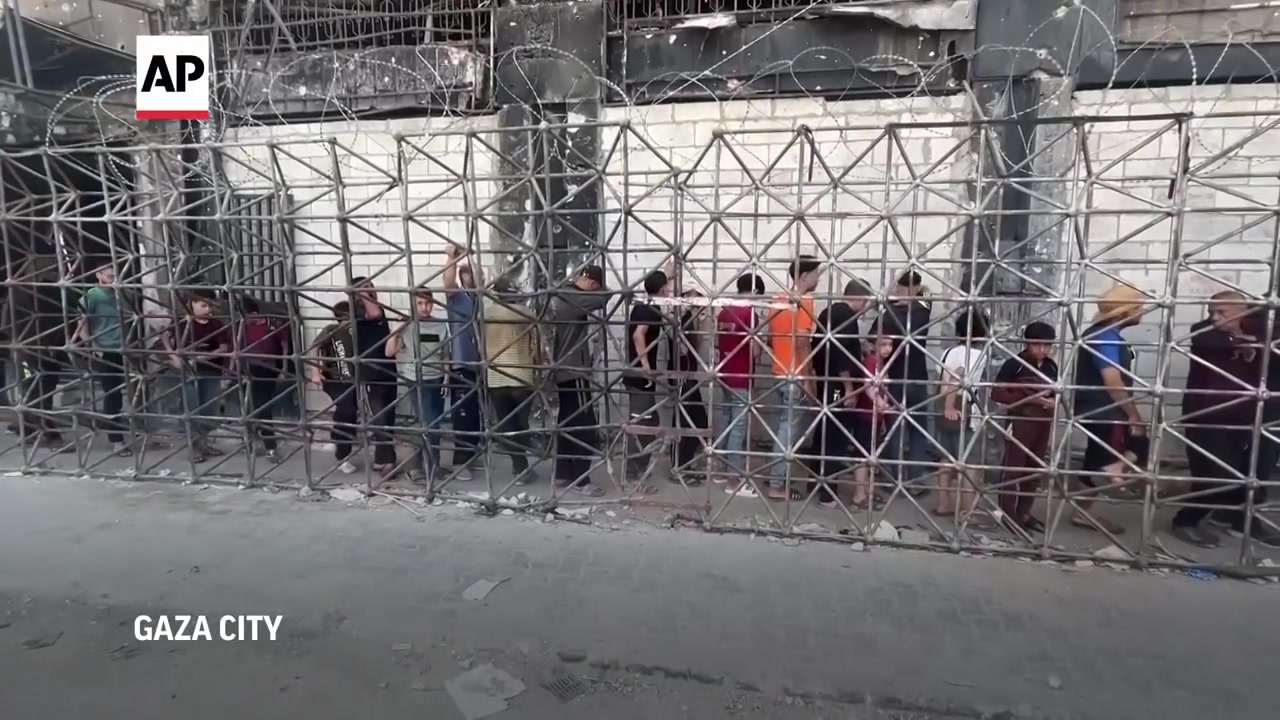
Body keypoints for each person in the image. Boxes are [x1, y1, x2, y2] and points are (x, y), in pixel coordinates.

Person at [1172, 292, 1280, 548]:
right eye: (1212, 311)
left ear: (1245, 312)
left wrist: (1254, 339)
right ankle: (1186, 520)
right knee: (1215, 474)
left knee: (1253, 473)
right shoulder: (1204, 332)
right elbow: (1207, 338)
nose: (1215, 318)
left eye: (1223, 312)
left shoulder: (1262, 330)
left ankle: (1240, 518)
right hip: (1208, 415)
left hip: (1248, 415)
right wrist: (1246, 341)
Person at [1070, 284, 1147, 536]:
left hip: (1096, 407)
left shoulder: (1101, 334)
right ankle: (1115, 471)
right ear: (1124, 313)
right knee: (1135, 444)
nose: (1142, 311)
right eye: (1138, 307)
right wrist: (1132, 413)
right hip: (1105, 409)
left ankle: (1084, 512)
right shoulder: (1105, 337)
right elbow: (1112, 380)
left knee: (1096, 459)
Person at [802, 278, 874, 509]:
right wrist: (849, 389)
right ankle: (827, 492)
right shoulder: (846, 318)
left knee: (824, 430)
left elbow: (818, 347)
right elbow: (841, 355)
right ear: (861, 298)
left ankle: (815, 480)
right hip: (837, 386)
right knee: (835, 435)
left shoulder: (828, 312)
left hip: (826, 381)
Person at [762, 255, 822, 501]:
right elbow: (801, 343)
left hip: (778, 371)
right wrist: (809, 379)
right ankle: (777, 485)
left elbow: (769, 335)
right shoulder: (805, 300)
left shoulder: (777, 300)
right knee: (789, 432)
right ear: (805, 276)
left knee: (781, 429)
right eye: (817, 273)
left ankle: (775, 475)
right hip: (795, 375)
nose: (818, 279)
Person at [991, 321, 1059, 534]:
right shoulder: (1015, 364)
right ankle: (1008, 515)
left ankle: (1024, 513)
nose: (1042, 350)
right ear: (1027, 343)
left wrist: (1053, 401)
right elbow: (997, 393)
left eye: (1047, 345)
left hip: (1043, 423)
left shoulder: (1051, 366)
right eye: (1037, 344)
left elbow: (1056, 392)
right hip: (1020, 422)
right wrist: (1031, 398)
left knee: (1034, 469)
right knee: (1013, 469)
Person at [548, 264, 610, 497]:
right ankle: (582, 480)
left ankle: (563, 474)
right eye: (593, 285)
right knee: (585, 424)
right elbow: (606, 296)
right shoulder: (574, 298)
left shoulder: (561, 295)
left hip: (562, 370)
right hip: (575, 371)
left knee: (566, 421)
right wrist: (597, 288)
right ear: (591, 283)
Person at [879, 270, 935, 496]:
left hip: (900, 378)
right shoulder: (920, 310)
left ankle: (899, 479)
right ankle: (912, 480)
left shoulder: (899, 312)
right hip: (911, 378)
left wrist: (889, 301)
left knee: (900, 429)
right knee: (912, 430)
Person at [482, 279, 542, 486]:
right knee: (521, 423)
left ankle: (519, 466)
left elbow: (479, 345)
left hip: (495, 376)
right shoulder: (527, 314)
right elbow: (537, 348)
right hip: (521, 375)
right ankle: (523, 458)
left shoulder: (485, 314)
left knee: (506, 423)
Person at [389, 288, 449, 484]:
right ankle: (420, 467)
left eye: (428, 303)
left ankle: (432, 464)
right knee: (426, 423)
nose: (424, 308)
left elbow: (446, 355)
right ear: (413, 305)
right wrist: (397, 329)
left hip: (437, 379)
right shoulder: (406, 326)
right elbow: (389, 351)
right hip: (415, 380)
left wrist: (447, 378)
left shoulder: (441, 326)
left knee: (435, 423)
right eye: (419, 304)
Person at [936, 309, 990, 524]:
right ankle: (967, 511)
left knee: (946, 459)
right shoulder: (977, 355)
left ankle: (942, 504)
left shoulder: (948, 351)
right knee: (970, 463)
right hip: (961, 407)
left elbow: (943, 379)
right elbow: (956, 377)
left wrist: (945, 403)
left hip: (943, 405)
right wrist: (951, 405)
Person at [165, 292, 231, 463]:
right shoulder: (182, 322)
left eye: (210, 305)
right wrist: (174, 357)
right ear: (191, 305)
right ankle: (194, 448)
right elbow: (165, 337)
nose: (208, 309)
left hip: (210, 370)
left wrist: (202, 358)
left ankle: (203, 443)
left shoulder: (216, 323)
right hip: (187, 372)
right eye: (203, 305)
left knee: (209, 409)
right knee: (191, 409)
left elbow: (224, 347)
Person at [74, 261, 132, 456]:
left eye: (116, 277)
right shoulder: (91, 297)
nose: (113, 280)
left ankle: (118, 428)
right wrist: (93, 347)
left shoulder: (122, 295)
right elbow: (82, 325)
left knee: (124, 391)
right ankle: (116, 439)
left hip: (123, 348)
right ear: (98, 274)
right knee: (112, 393)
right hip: (104, 349)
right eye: (109, 277)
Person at [716, 272, 764, 497]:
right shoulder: (750, 312)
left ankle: (720, 469)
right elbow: (754, 351)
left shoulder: (724, 310)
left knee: (725, 419)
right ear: (754, 292)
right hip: (742, 376)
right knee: (738, 427)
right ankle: (733, 481)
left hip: (724, 373)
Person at [624, 267, 671, 490]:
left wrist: (669, 270)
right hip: (639, 377)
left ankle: (638, 470)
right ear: (662, 289)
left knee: (650, 423)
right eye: (668, 286)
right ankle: (634, 476)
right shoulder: (646, 310)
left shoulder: (646, 305)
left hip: (640, 376)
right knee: (640, 425)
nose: (670, 290)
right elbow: (638, 335)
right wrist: (645, 367)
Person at [442, 245, 485, 476]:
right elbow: (447, 285)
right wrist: (452, 258)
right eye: (473, 274)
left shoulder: (480, 299)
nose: (479, 277)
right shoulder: (457, 298)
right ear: (464, 277)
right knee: (463, 415)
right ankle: (460, 462)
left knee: (477, 414)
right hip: (462, 363)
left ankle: (471, 453)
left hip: (479, 365)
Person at [350, 277, 399, 478]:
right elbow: (374, 313)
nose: (370, 290)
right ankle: (388, 462)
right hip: (370, 373)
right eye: (364, 288)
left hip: (388, 370)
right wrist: (362, 294)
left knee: (388, 417)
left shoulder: (379, 309)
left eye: (371, 286)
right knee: (379, 418)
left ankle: (383, 459)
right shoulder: (357, 311)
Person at [307, 302, 358, 474]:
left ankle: (339, 440)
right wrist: (316, 372)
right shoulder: (331, 329)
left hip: (356, 380)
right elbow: (314, 347)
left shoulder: (359, 330)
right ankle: (342, 455)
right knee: (347, 410)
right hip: (335, 379)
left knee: (349, 413)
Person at [237, 297, 290, 463]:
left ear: (252, 313)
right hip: (248, 369)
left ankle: (270, 447)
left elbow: (284, 345)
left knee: (263, 407)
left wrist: (284, 368)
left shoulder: (271, 324)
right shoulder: (242, 326)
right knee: (249, 407)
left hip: (268, 369)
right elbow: (236, 348)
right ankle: (253, 441)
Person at [671, 289, 711, 487]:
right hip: (682, 377)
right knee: (684, 422)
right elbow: (682, 347)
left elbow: (697, 345)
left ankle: (684, 465)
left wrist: (702, 321)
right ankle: (678, 467)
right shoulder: (680, 319)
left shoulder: (689, 319)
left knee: (698, 422)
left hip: (690, 376)